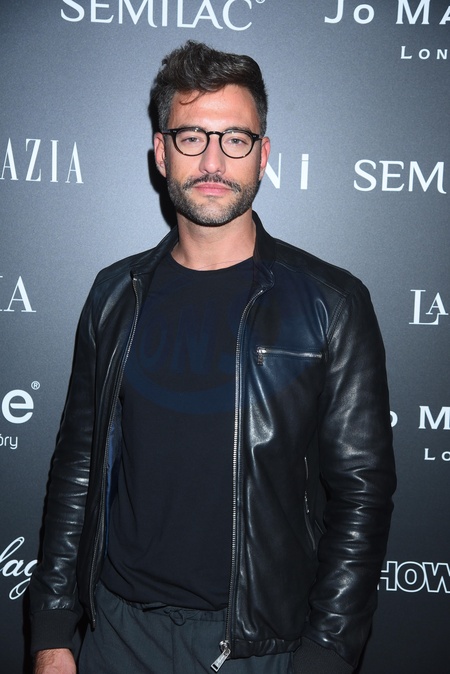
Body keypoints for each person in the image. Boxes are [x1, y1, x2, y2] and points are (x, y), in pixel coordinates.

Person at [29, 40, 396, 674]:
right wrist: (53, 630)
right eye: (192, 136)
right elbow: (77, 469)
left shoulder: (332, 303)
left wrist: (329, 653)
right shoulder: (115, 294)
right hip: (117, 634)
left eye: (235, 139)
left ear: (263, 155)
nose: (213, 160)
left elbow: (360, 494)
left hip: (262, 644)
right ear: (161, 151)